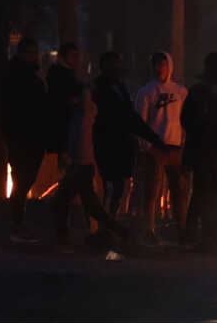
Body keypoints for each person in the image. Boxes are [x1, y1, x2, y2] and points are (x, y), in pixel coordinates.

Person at [54, 67, 140, 247]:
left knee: (62, 199)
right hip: (81, 163)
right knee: (91, 204)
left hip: (82, 164)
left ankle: (63, 237)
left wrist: (84, 90)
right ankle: (120, 232)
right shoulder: (79, 114)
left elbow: (81, 137)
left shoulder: (86, 112)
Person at [93, 51, 163, 218]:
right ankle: (103, 223)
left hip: (121, 143)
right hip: (105, 142)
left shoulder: (120, 87)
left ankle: (109, 221)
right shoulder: (98, 89)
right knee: (105, 186)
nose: (117, 67)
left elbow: (130, 117)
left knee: (118, 186)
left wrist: (151, 137)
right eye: (112, 64)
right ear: (103, 67)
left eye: (118, 63)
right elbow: (124, 116)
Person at [135, 51, 188, 243]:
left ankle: (181, 229)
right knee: (151, 191)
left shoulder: (181, 92)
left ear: (170, 66)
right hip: (156, 149)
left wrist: (183, 143)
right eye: (157, 65)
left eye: (163, 65)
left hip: (175, 148)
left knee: (179, 192)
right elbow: (140, 122)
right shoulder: (146, 92)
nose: (160, 69)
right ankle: (148, 229)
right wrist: (147, 147)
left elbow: (185, 120)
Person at [181, 52, 217, 249]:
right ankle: (198, 237)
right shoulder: (200, 93)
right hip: (205, 153)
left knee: (214, 196)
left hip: (216, 154)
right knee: (202, 195)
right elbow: (188, 121)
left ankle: (210, 237)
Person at [3, 38, 47, 240]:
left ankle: (18, 221)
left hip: (33, 136)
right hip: (20, 136)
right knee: (21, 179)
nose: (35, 56)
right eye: (31, 52)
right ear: (21, 54)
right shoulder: (14, 74)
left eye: (35, 52)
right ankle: (17, 223)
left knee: (24, 179)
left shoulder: (32, 75)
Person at [44, 43, 81, 162]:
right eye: (73, 55)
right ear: (64, 56)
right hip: (62, 128)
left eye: (77, 56)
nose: (76, 59)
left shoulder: (67, 73)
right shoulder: (59, 74)